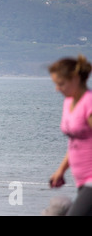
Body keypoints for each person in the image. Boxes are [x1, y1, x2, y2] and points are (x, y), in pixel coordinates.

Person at [48, 55, 92, 215]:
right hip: (81, 180)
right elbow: (76, 143)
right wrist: (61, 170)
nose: (57, 89)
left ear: (75, 79)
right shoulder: (68, 102)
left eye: (61, 84)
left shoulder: (89, 103)